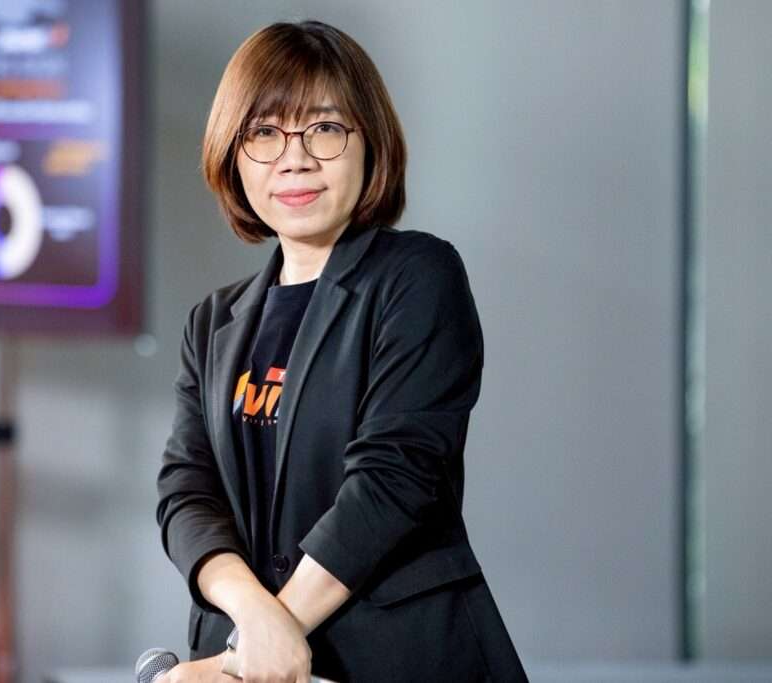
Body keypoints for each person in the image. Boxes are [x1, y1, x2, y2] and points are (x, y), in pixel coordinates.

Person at [156, 20, 527, 683]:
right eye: (264, 133)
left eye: (324, 128)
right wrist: (253, 621)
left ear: (369, 141)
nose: (294, 158)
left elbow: (393, 477)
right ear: (233, 154)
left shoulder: (418, 277)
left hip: (401, 656)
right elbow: (187, 493)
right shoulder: (211, 323)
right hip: (247, 658)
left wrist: (258, 646)